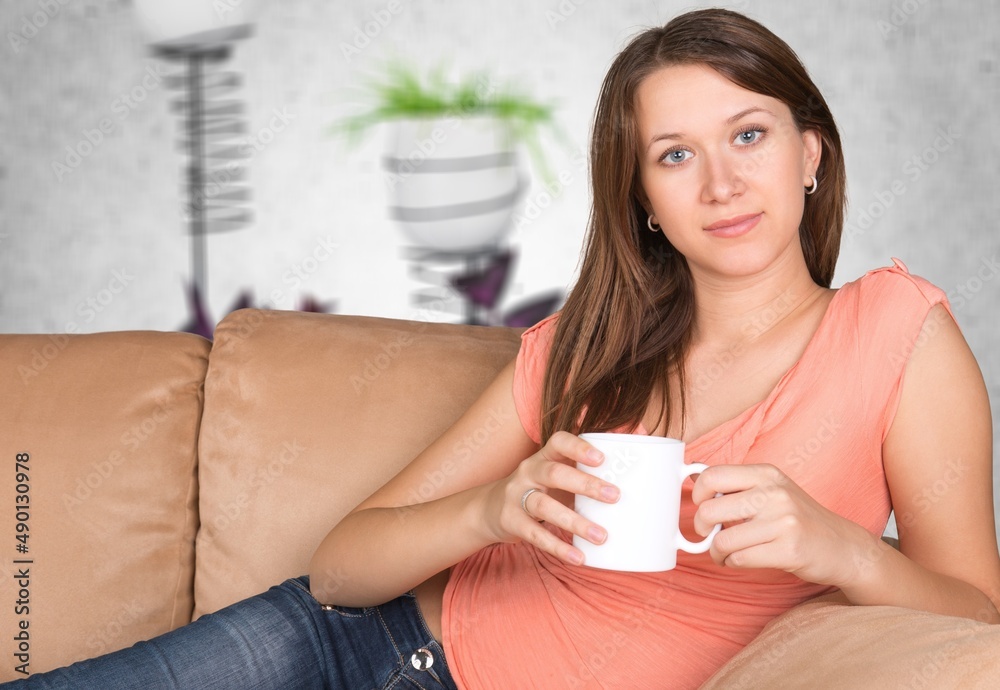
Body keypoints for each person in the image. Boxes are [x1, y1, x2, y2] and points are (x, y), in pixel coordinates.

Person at [8, 7, 999, 690]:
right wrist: (497, 507)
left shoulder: (896, 331)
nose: (720, 185)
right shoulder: (586, 343)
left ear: (810, 153)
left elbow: (977, 619)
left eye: (749, 135)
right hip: (363, 644)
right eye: (674, 156)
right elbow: (341, 573)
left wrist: (840, 551)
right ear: (644, 202)